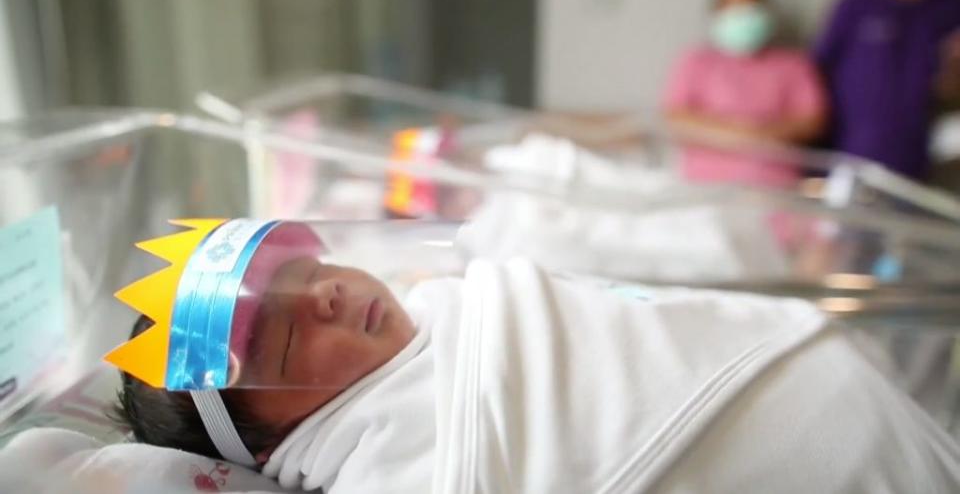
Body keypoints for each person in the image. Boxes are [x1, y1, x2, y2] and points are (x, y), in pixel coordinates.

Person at [112, 236, 960, 493]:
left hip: (813, 367)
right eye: (285, 337)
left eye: (307, 272)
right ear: (268, 444)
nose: (327, 295)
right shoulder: (398, 464)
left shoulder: (449, 308)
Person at [663, 0, 828, 187]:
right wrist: (743, 135)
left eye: (749, 8)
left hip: (776, 188)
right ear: (717, 15)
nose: (742, 16)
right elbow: (676, 119)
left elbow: (812, 123)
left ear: (766, 13)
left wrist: (757, 133)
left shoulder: (794, 65)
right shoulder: (696, 62)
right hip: (706, 188)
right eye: (734, 9)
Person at [815, 0, 960, 180]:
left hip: (916, 149)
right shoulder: (859, 3)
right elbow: (820, 69)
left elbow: (948, 86)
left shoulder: (949, 7)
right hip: (849, 144)